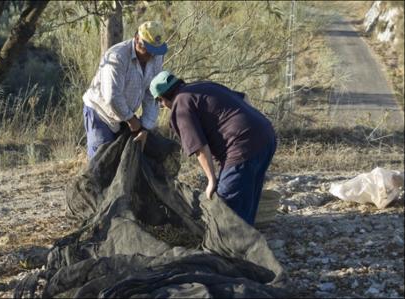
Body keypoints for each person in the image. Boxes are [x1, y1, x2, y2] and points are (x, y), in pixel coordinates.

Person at [149, 71, 277, 225]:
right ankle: (246, 236)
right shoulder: (203, 85)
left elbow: (199, 146)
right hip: (266, 135)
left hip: (242, 146)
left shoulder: (180, 106)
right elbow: (244, 98)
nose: (163, 106)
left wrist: (211, 180)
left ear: (161, 99)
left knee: (225, 205)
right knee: (247, 196)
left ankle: (233, 244)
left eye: (160, 103)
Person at [82, 21, 168, 159]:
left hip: (124, 114)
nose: (152, 55)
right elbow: (113, 96)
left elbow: (152, 91)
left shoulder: (156, 57)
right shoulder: (117, 56)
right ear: (137, 40)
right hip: (101, 112)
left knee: (120, 160)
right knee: (101, 159)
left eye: (155, 51)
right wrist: (132, 120)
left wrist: (144, 127)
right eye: (149, 50)